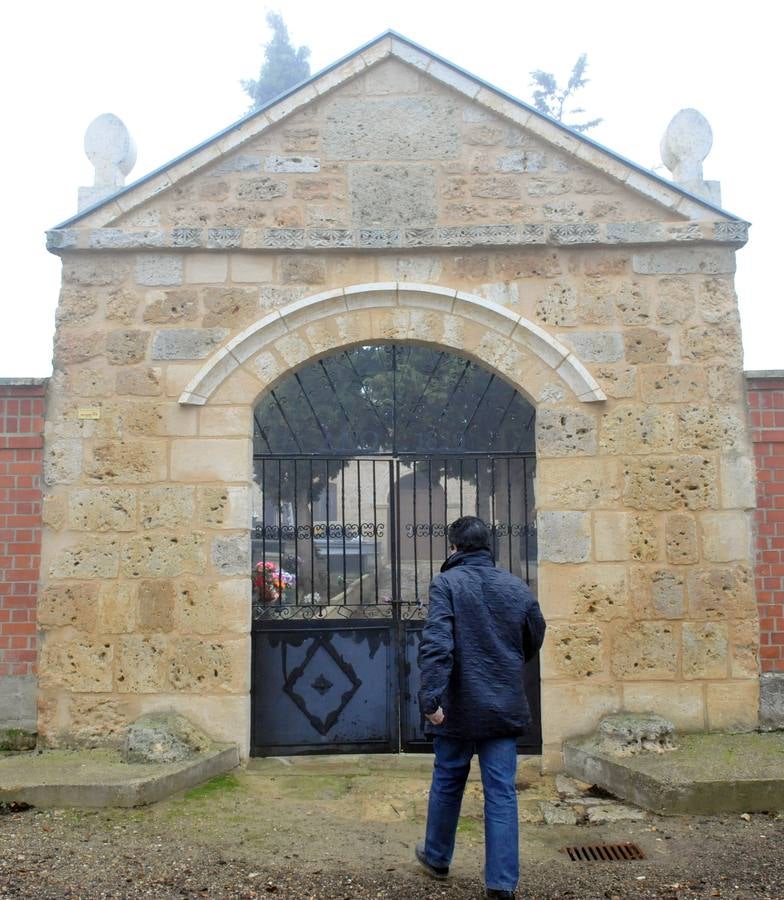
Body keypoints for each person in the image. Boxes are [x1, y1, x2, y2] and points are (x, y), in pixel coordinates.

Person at [415, 516, 546, 900]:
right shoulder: (516, 587)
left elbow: (437, 643)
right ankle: (501, 883)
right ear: (488, 548)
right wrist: (509, 662)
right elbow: (534, 633)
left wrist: (430, 698)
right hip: (502, 703)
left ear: (454, 548)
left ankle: (437, 857)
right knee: (501, 791)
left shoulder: (447, 584)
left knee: (448, 780)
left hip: (458, 706)